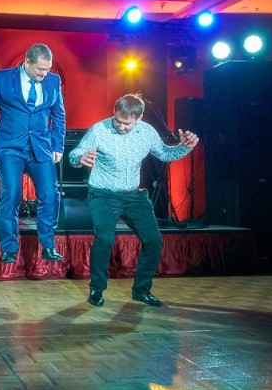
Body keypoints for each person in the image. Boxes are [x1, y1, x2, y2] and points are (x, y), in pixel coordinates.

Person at [69, 94, 199, 307]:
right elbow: (76, 153)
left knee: (154, 241)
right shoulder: (99, 130)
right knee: (105, 239)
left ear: (139, 118)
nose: (120, 126)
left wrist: (185, 146)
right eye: (117, 120)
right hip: (103, 194)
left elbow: (165, 154)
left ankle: (141, 290)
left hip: (133, 196)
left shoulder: (147, 132)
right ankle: (96, 289)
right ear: (114, 113)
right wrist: (79, 158)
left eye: (126, 124)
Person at [0, 43, 66, 264]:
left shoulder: (53, 81)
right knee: (12, 195)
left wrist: (58, 145)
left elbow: (59, 115)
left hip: (41, 148)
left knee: (50, 194)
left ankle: (48, 245)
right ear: (27, 62)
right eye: (40, 69)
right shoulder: (3, 78)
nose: (44, 74)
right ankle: (8, 247)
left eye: (47, 69)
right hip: (10, 148)